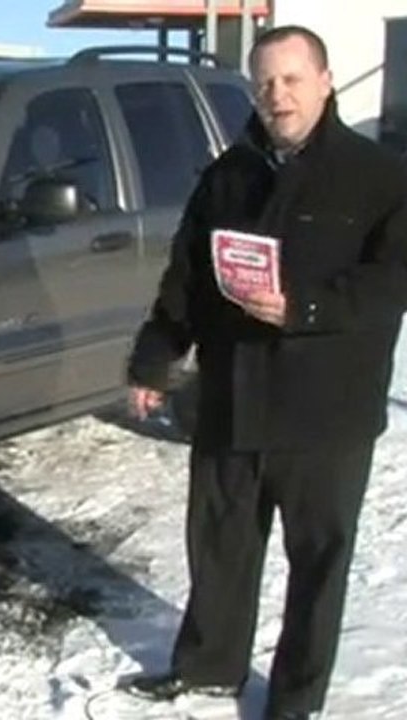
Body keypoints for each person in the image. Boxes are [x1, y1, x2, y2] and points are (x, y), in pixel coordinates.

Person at [124, 25, 407, 720]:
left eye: (291, 79)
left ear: (326, 81)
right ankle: (208, 665)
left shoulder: (380, 176)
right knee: (219, 544)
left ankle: (295, 700)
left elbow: (392, 281)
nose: (277, 95)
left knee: (316, 563)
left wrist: (303, 307)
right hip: (232, 395)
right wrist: (157, 355)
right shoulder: (229, 174)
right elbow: (185, 275)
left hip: (326, 411)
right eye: (265, 83)